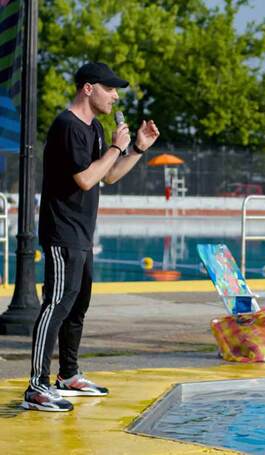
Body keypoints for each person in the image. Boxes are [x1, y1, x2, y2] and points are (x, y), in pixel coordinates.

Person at [22, 62, 160, 412]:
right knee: (56, 306)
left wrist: (136, 150)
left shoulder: (94, 127)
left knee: (77, 306)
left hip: (82, 233)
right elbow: (84, 179)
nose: (115, 95)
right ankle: (37, 386)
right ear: (88, 88)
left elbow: (107, 177)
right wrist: (115, 147)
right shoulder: (68, 126)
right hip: (61, 231)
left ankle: (68, 376)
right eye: (110, 88)